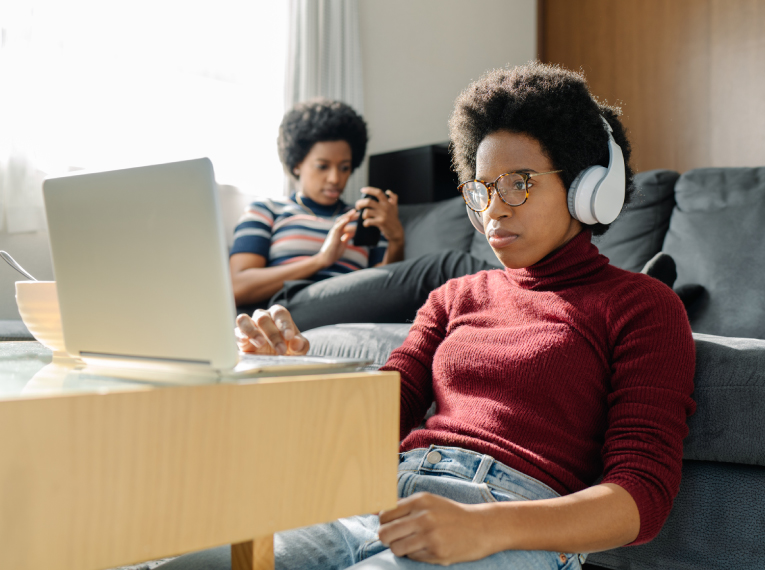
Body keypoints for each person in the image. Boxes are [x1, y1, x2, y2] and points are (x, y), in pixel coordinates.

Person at [161, 62, 696, 569]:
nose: (493, 208)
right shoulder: (453, 296)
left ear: (586, 188)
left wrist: (487, 526)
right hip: (380, 501)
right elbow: (376, 419)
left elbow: (640, 500)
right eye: (481, 188)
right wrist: (301, 378)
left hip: (512, 518)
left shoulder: (642, 306)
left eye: (519, 182)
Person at [230, 98, 494, 331]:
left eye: (344, 168)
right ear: (297, 164)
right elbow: (237, 287)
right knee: (446, 267)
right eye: (323, 166)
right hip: (290, 304)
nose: (335, 178)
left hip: (351, 303)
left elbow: (380, 287)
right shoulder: (268, 210)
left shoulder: (363, 217)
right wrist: (321, 260)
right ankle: (525, 295)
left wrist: (395, 239)